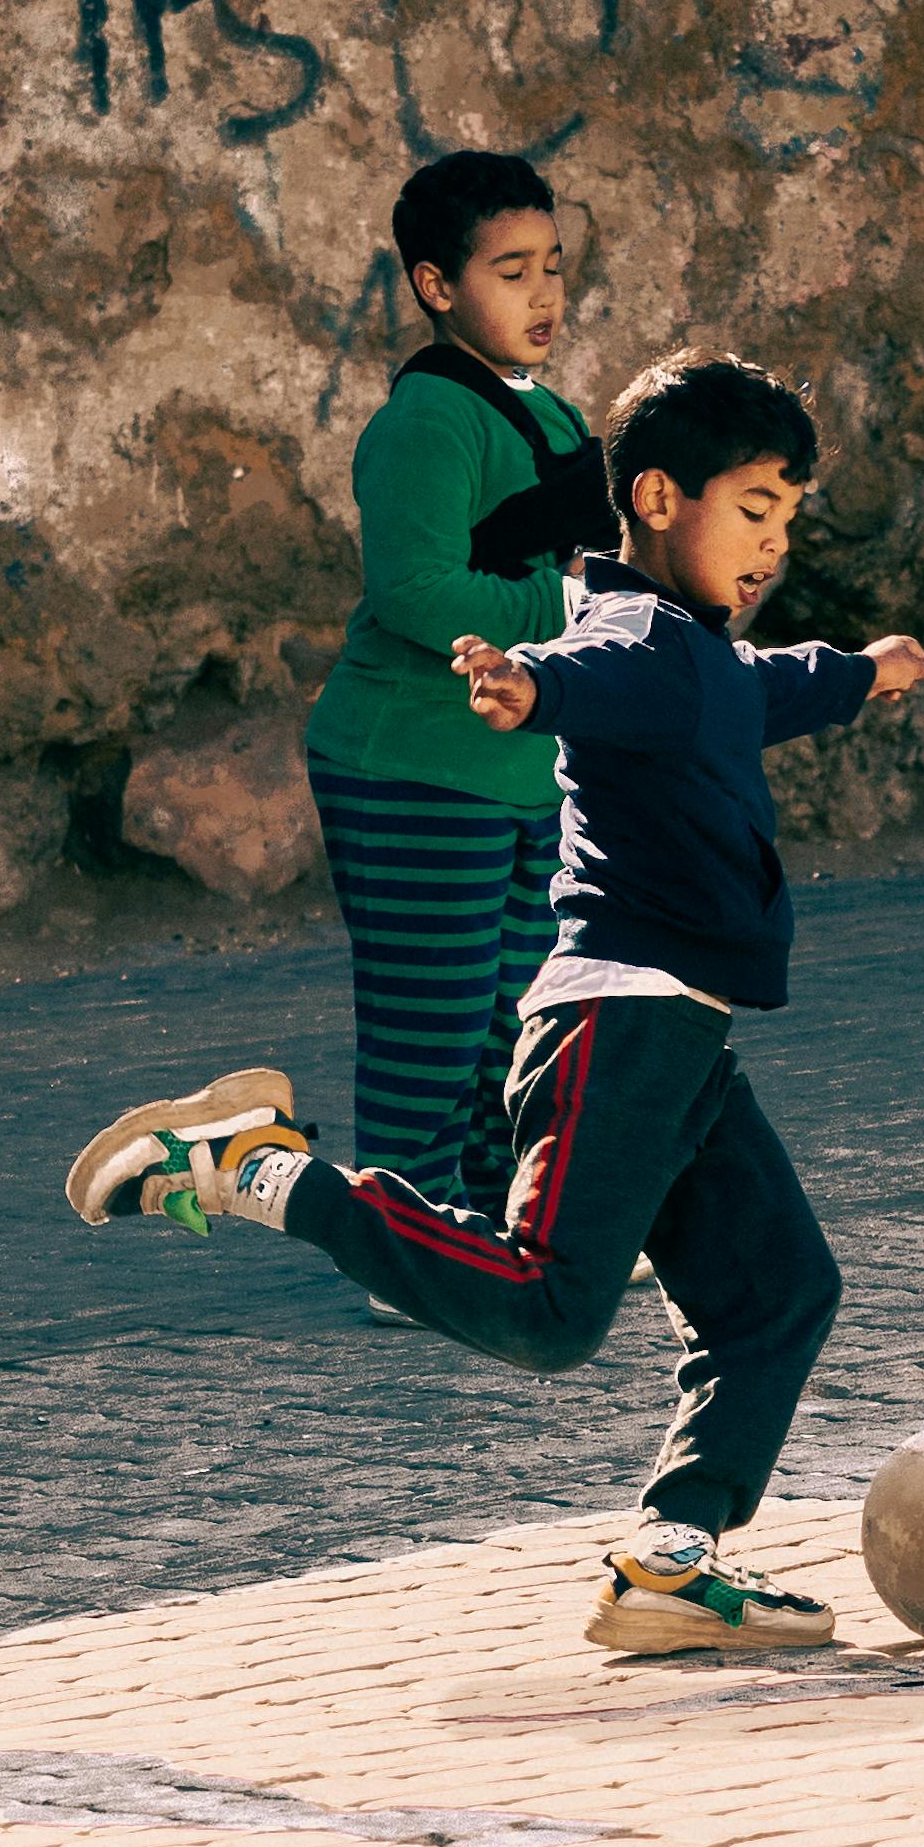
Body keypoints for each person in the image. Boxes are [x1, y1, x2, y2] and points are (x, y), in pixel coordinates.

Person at [66, 348, 924, 1657]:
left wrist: (862, 671)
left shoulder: (698, 655)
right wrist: (530, 687)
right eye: (753, 509)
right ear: (656, 497)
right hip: (618, 1024)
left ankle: (670, 1561)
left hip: (680, 1038)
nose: (774, 542)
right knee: (544, 1305)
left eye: (788, 517)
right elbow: (586, 679)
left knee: (778, 1290)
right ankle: (260, 1170)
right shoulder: (633, 640)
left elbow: (763, 690)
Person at [300, 152, 605, 1296]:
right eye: (510, 272)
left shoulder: (546, 410)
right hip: (412, 767)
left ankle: (489, 1233)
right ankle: (402, 1259)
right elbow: (416, 593)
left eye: (553, 266)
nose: (543, 294)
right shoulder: (427, 420)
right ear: (436, 285)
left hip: (517, 772)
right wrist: (570, 608)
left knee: (510, 1023)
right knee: (428, 1034)